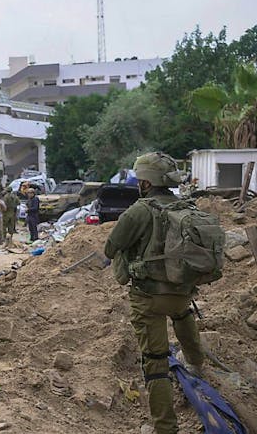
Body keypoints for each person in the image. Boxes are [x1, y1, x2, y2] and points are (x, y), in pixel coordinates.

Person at [103, 152, 204, 434]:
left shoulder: (139, 211)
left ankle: (165, 427)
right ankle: (196, 363)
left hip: (149, 297)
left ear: (146, 184)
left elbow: (111, 248)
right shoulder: (186, 206)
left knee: (156, 360)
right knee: (183, 316)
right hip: (182, 291)